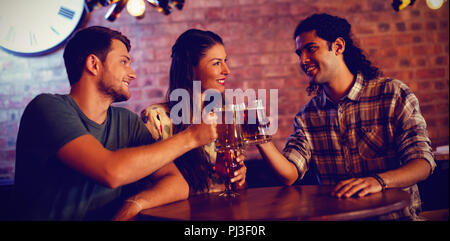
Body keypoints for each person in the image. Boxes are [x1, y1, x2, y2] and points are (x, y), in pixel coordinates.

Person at [12, 26, 217, 220]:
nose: (132, 73)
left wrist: (135, 204)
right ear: (94, 64)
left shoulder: (125, 121)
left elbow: (177, 184)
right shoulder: (47, 108)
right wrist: (190, 137)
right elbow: (110, 171)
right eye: (124, 62)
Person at [257, 13, 436, 220]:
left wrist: (378, 181)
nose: (303, 60)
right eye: (299, 53)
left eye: (311, 48)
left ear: (339, 46)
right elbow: (290, 175)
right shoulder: (308, 117)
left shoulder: (392, 94)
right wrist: (261, 138)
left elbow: (423, 163)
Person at [128, 29, 246, 207]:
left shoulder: (225, 117)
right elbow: (145, 183)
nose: (226, 70)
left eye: (225, 62)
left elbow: (237, 190)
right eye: (216, 63)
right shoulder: (157, 118)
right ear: (191, 68)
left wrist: (240, 179)